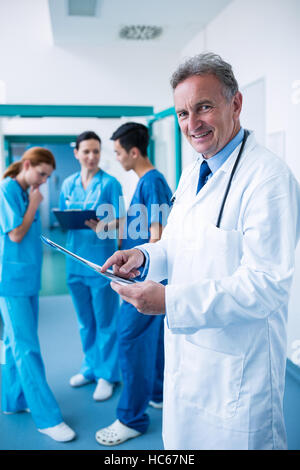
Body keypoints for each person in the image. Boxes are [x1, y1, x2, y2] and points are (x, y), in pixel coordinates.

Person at [99, 53, 300, 450]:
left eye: (204, 107)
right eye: (182, 113)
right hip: (188, 361)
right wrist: (145, 256)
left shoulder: (269, 179)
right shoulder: (195, 170)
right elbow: (180, 242)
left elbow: (267, 285)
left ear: (235, 104)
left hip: (238, 373)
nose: (192, 124)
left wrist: (170, 300)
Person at [95, 122, 172, 446]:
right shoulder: (146, 182)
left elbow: (157, 236)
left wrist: (139, 274)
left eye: (118, 153)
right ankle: (156, 393)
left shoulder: (152, 181)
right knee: (151, 342)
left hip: (145, 280)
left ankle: (132, 418)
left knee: (129, 342)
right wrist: (112, 224)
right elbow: (142, 221)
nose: (117, 158)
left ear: (134, 151)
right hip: (145, 275)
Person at [0, 147, 76, 442]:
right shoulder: (8, 188)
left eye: (47, 178)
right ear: (27, 165)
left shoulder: (23, 188)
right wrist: (34, 203)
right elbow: (15, 234)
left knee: (11, 343)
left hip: (27, 278)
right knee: (26, 347)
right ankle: (47, 418)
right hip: (12, 281)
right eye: (41, 174)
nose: (43, 181)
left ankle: (13, 400)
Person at [59, 131, 125, 401]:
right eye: (86, 151)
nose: (91, 156)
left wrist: (104, 227)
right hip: (73, 260)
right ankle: (90, 367)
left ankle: (107, 375)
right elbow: (62, 217)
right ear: (76, 153)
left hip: (100, 263)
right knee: (85, 322)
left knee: (106, 321)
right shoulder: (68, 184)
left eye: (96, 151)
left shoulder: (110, 183)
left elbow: (123, 219)